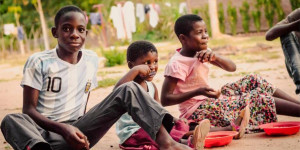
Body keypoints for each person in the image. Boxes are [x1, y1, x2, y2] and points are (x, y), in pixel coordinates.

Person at [0, 6, 192, 150]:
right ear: (55, 32)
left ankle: (168, 143)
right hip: (41, 134)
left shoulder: (91, 60)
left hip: (78, 133)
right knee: (11, 119)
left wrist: (76, 129)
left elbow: (83, 101)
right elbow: (29, 110)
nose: (74, 34)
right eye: (67, 29)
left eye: (80, 29)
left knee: (128, 89)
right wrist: (62, 129)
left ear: (86, 33)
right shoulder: (39, 61)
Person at [161, 14, 300, 135]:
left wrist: (215, 57)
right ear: (183, 38)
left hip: (211, 99)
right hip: (197, 111)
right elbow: (165, 99)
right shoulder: (177, 64)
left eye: (206, 31)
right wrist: (197, 91)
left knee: (253, 80)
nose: (205, 36)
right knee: (256, 98)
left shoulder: (202, 53)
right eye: (199, 32)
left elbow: (232, 68)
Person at [115, 40, 211, 150]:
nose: (152, 67)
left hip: (154, 128)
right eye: (147, 63)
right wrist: (135, 70)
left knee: (179, 124)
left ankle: (187, 137)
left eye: (155, 62)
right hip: (133, 132)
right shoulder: (128, 86)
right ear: (131, 65)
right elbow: (117, 90)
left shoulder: (151, 87)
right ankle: (186, 141)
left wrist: (175, 120)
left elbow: (159, 112)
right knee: (155, 135)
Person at [265, 8, 300, 94]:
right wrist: (295, 25)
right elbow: (269, 35)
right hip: (297, 64)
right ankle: (299, 79)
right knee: (285, 32)